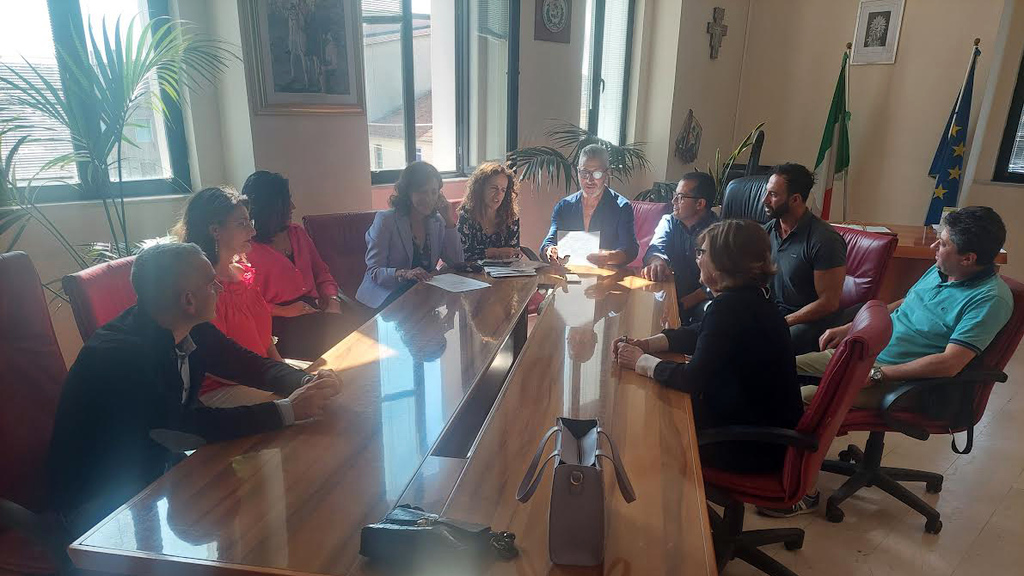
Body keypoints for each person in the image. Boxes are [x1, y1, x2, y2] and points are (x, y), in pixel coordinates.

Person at [47, 243, 342, 538]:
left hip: (150, 467)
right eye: (211, 283)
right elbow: (181, 430)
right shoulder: (123, 355)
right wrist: (288, 410)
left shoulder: (188, 326)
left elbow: (247, 364)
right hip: (97, 505)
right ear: (189, 300)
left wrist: (305, 382)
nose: (220, 288)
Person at [759, 206, 1013, 518]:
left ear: (969, 258)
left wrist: (880, 375)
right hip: (864, 355)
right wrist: (851, 327)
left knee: (806, 400)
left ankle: (805, 492)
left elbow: (950, 363)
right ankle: (774, 459)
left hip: (903, 383)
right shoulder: (943, 269)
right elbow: (905, 303)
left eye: (944, 243)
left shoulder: (990, 299)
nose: (935, 247)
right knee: (774, 369)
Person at [613, 219, 804, 473]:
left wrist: (640, 361)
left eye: (702, 252)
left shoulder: (729, 307)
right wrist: (648, 344)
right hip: (763, 432)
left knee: (645, 424)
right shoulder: (752, 297)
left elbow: (692, 379)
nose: (697, 259)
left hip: (748, 444)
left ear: (724, 263)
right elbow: (702, 332)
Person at [174, 186, 287, 407]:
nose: (252, 231)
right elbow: (216, 363)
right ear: (215, 230)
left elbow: (265, 341)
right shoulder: (201, 288)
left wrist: (284, 371)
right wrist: (279, 385)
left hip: (261, 375)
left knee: (325, 383)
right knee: (302, 405)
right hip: (220, 389)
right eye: (242, 224)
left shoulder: (244, 275)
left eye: (249, 222)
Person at [243, 170, 355, 360]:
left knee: (356, 335)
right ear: (269, 209)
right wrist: (284, 311)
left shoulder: (298, 233)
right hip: (279, 321)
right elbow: (248, 304)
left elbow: (322, 273)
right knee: (332, 347)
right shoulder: (247, 248)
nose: (293, 207)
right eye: (286, 202)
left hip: (313, 310)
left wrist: (333, 300)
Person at [762, 163, 847, 354]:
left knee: (765, 346)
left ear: (795, 199)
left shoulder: (824, 240)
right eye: (766, 193)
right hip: (774, 313)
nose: (764, 200)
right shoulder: (766, 232)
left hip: (807, 321)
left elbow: (829, 303)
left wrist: (784, 321)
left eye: (773, 195)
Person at [356, 161, 464, 309]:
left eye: (434, 192)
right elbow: (374, 272)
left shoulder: (437, 221)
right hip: (387, 299)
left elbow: (457, 262)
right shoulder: (386, 220)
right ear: (408, 193)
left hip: (423, 297)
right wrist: (404, 273)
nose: (429, 198)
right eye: (422, 192)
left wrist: (449, 221)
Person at [540, 144, 639, 267]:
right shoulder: (564, 207)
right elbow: (547, 243)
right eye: (584, 173)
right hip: (569, 273)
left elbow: (630, 249)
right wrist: (549, 251)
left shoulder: (621, 207)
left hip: (607, 274)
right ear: (578, 171)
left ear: (607, 173)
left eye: (597, 173)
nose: (589, 180)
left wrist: (609, 257)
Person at [641, 171, 719, 321]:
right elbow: (656, 248)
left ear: (700, 204)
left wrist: (681, 304)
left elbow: (719, 281)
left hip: (701, 303)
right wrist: (657, 262)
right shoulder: (669, 221)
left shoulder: (719, 233)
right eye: (675, 195)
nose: (673, 201)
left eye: (681, 197)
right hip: (670, 293)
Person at [457, 161, 521, 262]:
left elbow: (514, 253)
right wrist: (496, 252)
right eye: (494, 188)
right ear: (480, 189)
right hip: (472, 271)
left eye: (503, 190)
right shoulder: (467, 215)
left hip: (504, 271)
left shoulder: (511, 218)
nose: (499, 194)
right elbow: (461, 254)